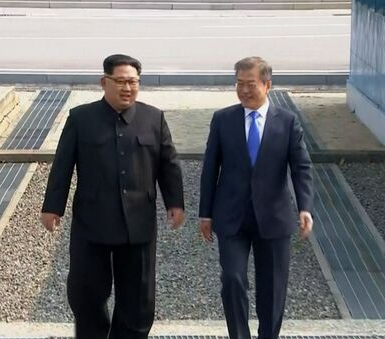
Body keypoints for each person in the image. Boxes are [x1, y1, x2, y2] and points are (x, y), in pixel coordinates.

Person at [41, 54, 185, 339]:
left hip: (139, 225)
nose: (127, 88)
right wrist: (52, 207)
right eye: (120, 81)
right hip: (92, 222)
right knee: (85, 293)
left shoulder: (153, 118)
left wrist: (175, 203)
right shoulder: (81, 119)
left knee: (139, 299)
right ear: (103, 82)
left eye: (133, 82)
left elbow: (169, 163)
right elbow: (62, 165)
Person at [198, 56, 314, 339]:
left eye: (250, 84)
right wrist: (205, 212)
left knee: (272, 288)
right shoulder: (223, 119)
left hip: (274, 217)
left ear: (267, 84)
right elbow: (210, 167)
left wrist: (305, 207)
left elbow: (301, 167)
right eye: (239, 84)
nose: (244, 90)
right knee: (233, 279)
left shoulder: (286, 122)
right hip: (231, 216)